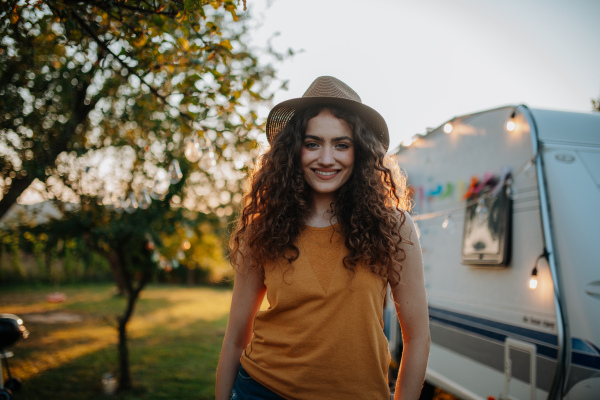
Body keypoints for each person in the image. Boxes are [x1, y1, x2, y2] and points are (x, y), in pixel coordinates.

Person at [216, 76, 430, 400]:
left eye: (341, 145)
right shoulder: (263, 227)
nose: (326, 159)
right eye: (312, 143)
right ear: (293, 150)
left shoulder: (393, 227)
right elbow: (235, 339)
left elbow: (417, 339)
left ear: (360, 152)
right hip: (262, 390)